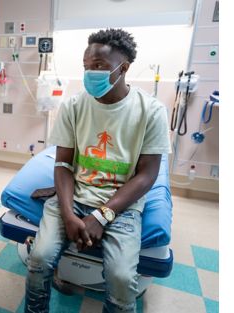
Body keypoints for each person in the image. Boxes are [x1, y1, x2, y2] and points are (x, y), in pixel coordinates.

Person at [24, 28, 171, 313]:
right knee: (38, 260)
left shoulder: (150, 111)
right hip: (74, 196)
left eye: (100, 66)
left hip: (122, 206)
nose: (91, 72)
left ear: (123, 68)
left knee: (121, 277)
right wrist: (68, 214)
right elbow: (63, 164)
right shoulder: (74, 105)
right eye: (87, 66)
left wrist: (102, 216)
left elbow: (147, 175)